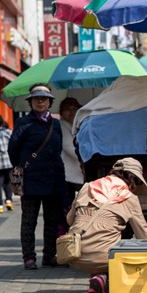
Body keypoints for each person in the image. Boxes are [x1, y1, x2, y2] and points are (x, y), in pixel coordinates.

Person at [68, 158, 147, 293]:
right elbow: (143, 236)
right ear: (131, 178)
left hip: (74, 254)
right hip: (104, 258)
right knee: (122, 243)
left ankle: (97, 278)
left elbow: (70, 220)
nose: (135, 187)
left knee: (100, 237)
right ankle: (106, 279)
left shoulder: (87, 187)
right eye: (137, 182)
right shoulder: (129, 197)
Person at [8, 84, 66, 270]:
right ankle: (29, 257)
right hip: (31, 179)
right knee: (29, 221)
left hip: (54, 178)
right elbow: (13, 150)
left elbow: (58, 148)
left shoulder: (56, 124)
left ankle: (49, 255)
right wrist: (24, 167)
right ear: (30, 102)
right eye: (36, 98)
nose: (40, 101)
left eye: (44, 98)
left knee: (52, 220)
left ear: (50, 102)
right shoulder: (23, 123)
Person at [58, 97, 84, 233]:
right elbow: (70, 148)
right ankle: (67, 236)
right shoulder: (62, 126)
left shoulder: (77, 126)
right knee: (68, 208)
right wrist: (87, 155)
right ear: (61, 112)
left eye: (75, 109)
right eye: (68, 109)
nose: (72, 112)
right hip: (67, 175)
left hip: (76, 174)